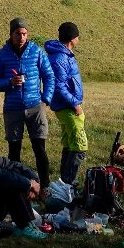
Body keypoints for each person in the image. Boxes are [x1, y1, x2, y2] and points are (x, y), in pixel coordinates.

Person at [0, 17, 54, 189]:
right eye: (18, 33)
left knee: (39, 148)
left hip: (35, 106)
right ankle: (17, 188)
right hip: (13, 108)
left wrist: (45, 98)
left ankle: (45, 187)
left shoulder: (36, 52)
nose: (21, 37)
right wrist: (10, 82)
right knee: (14, 150)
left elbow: (49, 75)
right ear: (11, 34)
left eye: (24, 33)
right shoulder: (2, 55)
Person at [45, 21, 88, 186]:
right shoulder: (60, 58)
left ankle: (64, 183)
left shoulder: (63, 54)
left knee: (70, 144)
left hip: (66, 106)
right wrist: (74, 103)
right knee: (79, 146)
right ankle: (70, 184)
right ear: (72, 38)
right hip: (68, 107)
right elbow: (59, 85)